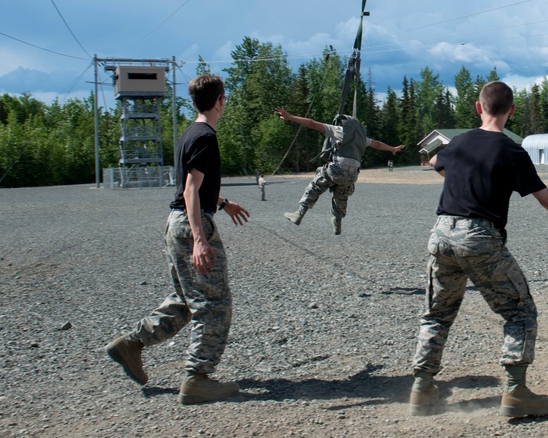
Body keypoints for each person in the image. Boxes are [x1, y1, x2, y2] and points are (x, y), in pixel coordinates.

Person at [408, 81, 548, 418]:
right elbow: (545, 196)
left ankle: (421, 389)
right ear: (511, 111)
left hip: (440, 234)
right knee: (519, 312)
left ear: (477, 107)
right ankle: (516, 392)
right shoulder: (511, 150)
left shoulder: (457, 143)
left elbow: (438, 162)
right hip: (479, 237)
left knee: (438, 313)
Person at [106, 74, 251, 405]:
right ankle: (197, 378)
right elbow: (190, 190)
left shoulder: (190, 133)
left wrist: (224, 204)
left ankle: (130, 345)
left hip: (177, 224)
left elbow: (193, 186)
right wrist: (200, 239)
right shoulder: (205, 137)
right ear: (221, 101)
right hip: (191, 226)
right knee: (214, 304)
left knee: (186, 301)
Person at [274, 107, 404, 234]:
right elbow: (378, 144)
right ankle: (337, 222)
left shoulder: (339, 131)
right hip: (353, 175)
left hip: (337, 169)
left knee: (316, 185)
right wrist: (392, 149)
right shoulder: (362, 138)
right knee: (341, 195)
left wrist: (290, 117)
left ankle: (299, 213)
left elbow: (312, 124)